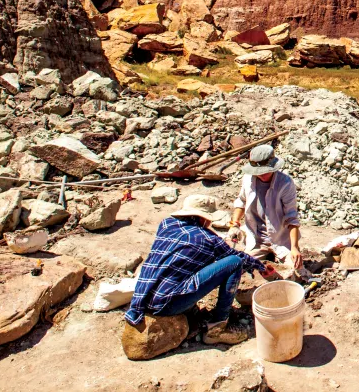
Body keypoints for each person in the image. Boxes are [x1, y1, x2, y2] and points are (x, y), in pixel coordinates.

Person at [125, 194, 277, 345]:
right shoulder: (207, 239)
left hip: (145, 297)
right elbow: (236, 257)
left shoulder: (166, 225)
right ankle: (218, 328)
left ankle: (191, 313)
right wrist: (260, 267)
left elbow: (188, 249)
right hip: (166, 305)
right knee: (235, 262)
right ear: (203, 218)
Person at [228, 145, 303, 271]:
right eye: (258, 172)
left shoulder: (285, 183)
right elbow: (241, 202)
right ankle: (263, 253)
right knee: (242, 268)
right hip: (256, 240)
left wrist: (294, 247)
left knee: (294, 271)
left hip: (280, 240)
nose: (261, 175)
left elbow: (292, 218)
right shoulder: (248, 180)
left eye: (265, 171)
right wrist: (234, 224)